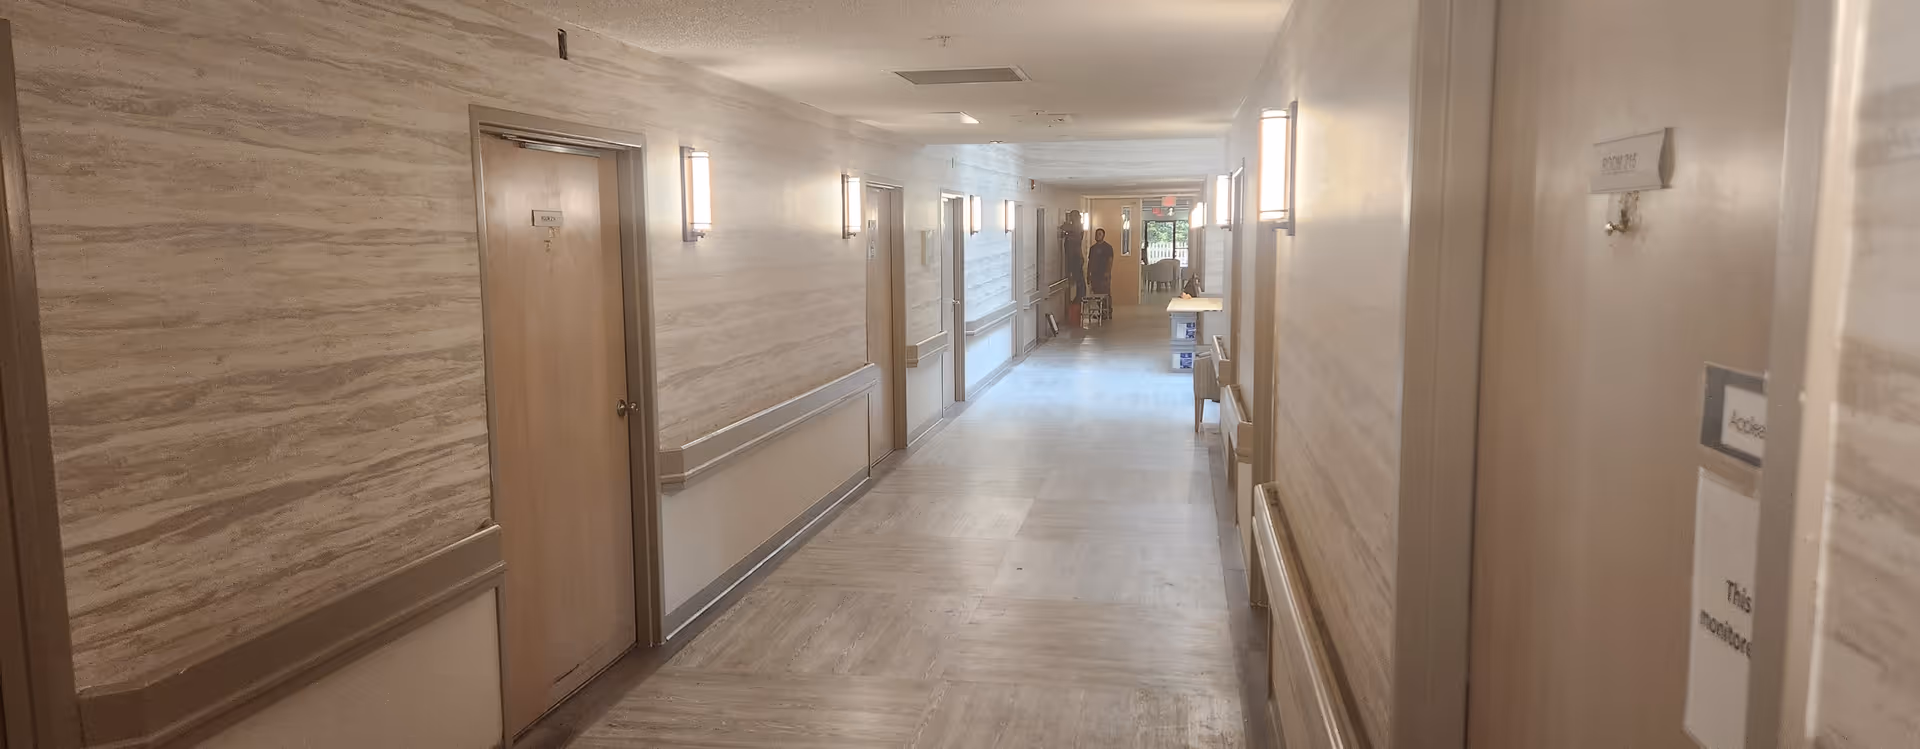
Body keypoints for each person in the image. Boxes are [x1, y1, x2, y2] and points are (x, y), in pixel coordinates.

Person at [1088, 228, 1114, 296]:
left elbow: (1110, 260)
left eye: (1099, 234)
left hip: (1103, 274)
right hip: (1094, 275)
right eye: (1096, 234)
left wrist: (1107, 272)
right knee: (1096, 292)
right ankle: (1100, 306)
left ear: (1103, 236)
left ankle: (1107, 306)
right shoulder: (1092, 248)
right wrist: (1088, 274)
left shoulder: (1108, 247)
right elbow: (1090, 261)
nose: (1097, 236)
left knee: (1105, 292)